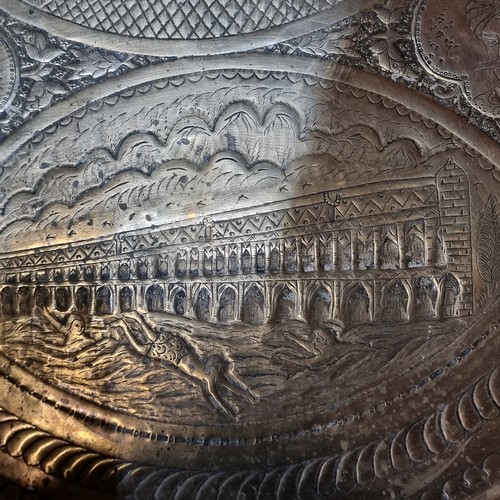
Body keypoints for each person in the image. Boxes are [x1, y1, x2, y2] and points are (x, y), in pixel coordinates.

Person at [110, 311, 256, 418]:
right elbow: (216, 395)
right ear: (216, 367)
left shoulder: (212, 376)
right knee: (141, 348)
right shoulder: (211, 378)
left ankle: (132, 319)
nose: (224, 370)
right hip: (175, 356)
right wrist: (228, 408)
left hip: (180, 349)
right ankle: (124, 325)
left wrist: (248, 396)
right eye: (223, 368)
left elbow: (228, 389)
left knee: (150, 336)